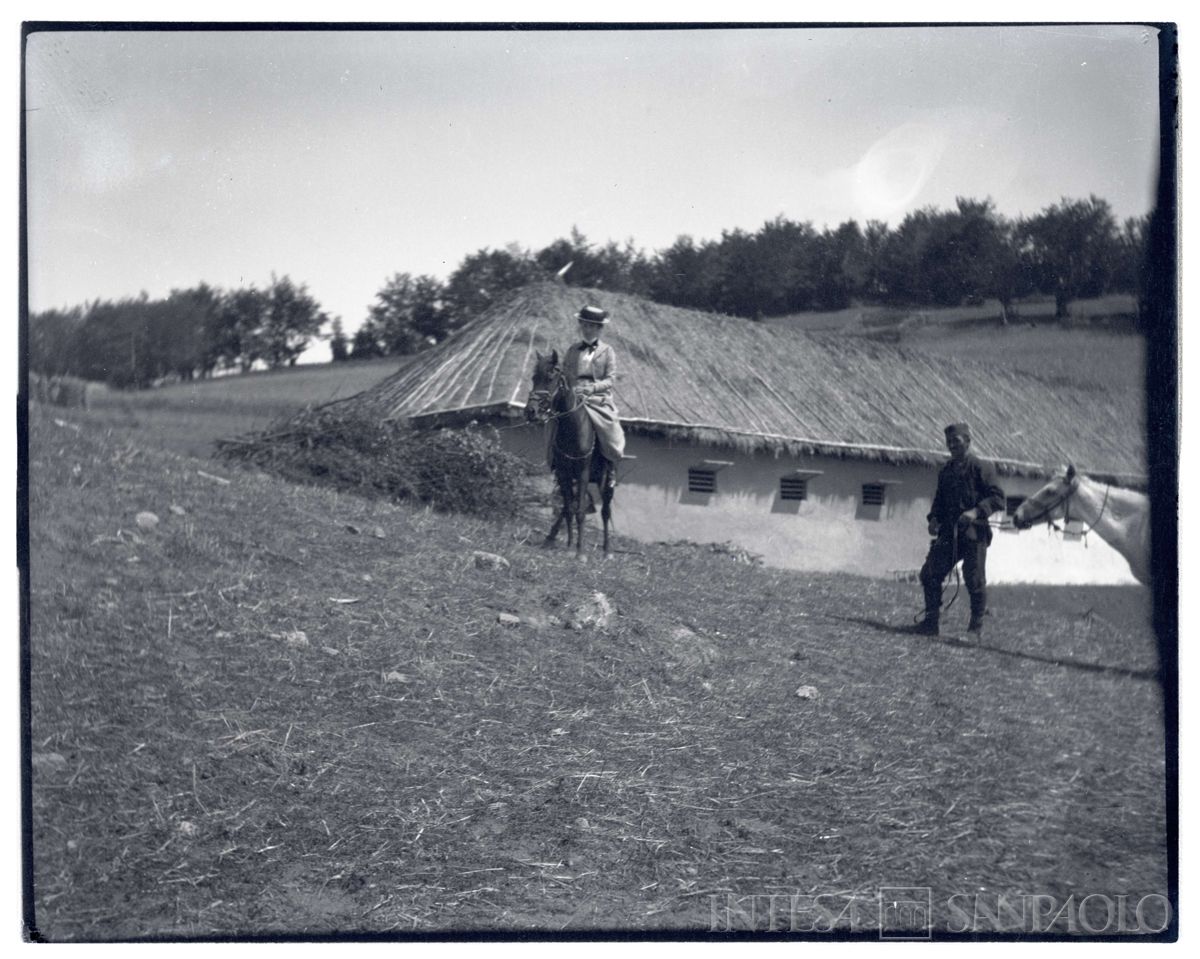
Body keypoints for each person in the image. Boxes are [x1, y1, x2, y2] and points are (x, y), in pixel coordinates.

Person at [909, 423, 1005, 635]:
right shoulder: (946, 471)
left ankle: (975, 629)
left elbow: (998, 499)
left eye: (957, 441)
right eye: (949, 442)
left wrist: (975, 512)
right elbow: (939, 501)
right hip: (948, 534)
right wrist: (934, 518)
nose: (952, 445)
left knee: (974, 579)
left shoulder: (982, 467)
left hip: (973, 534)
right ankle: (930, 624)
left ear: (968, 442)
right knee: (930, 573)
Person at [548, 305, 626, 477]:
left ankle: (610, 464)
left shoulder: (607, 351)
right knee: (554, 419)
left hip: (596, 397)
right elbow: (565, 373)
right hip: (574, 394)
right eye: (584, 325)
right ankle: (553, 459)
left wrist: (592, 388)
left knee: (610, 425)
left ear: (599, 329)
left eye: (591, 326)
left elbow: (610, 379)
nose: (587, 329)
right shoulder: (572, 350)